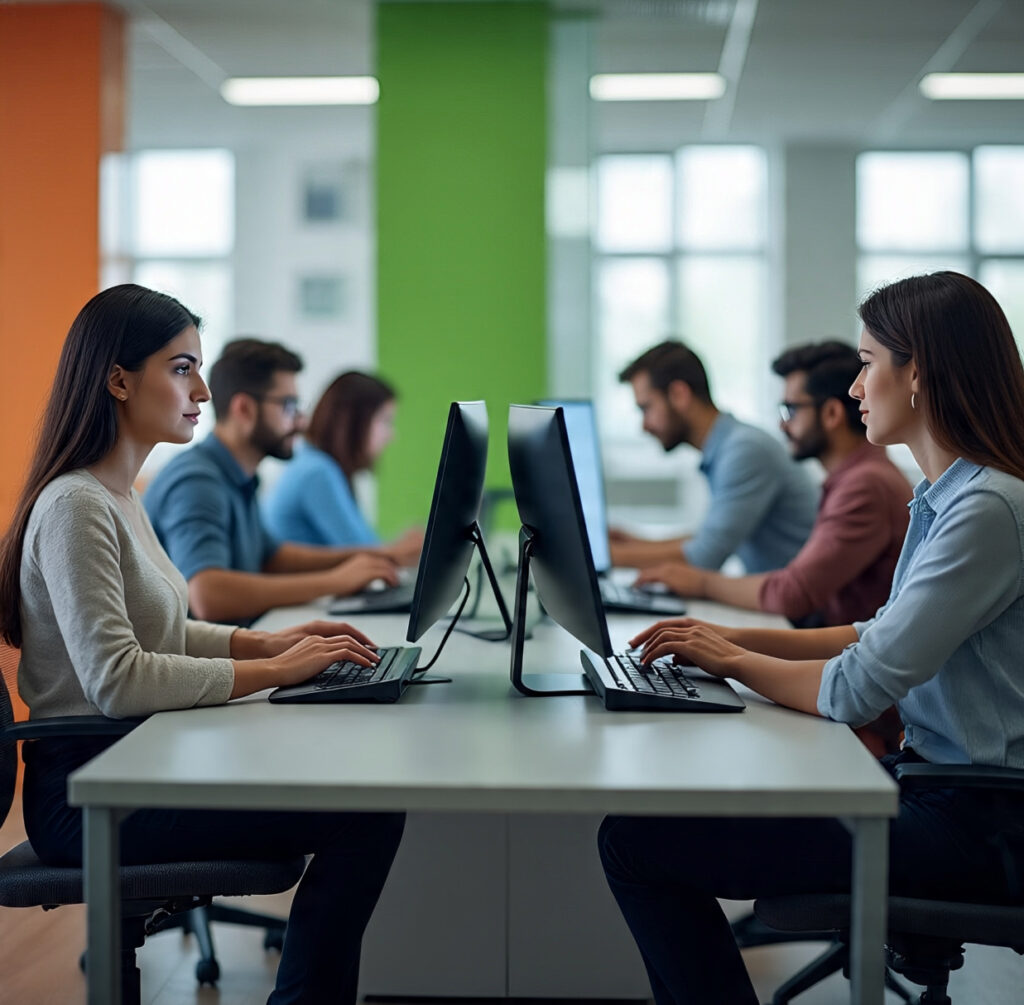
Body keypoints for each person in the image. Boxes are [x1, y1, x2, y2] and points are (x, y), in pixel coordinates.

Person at [598, 271, 1024, 1005]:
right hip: (935, 789)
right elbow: (873, 633)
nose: (856, 388)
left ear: (916, 371)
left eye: (867, 363)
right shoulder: (945, 494)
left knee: (635, 841)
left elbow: (857, 686)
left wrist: (730, 657)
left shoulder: (986, 507)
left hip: (979, 824)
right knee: (667, 820)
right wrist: (723, 635)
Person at [0, 284, 405, 1005]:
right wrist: (275, 667)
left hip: (137, 760)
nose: (206, 391)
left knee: (361, 794)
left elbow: (169, 629)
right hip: (91, 793)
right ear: (119, 379)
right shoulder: (75, 505)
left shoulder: (121, 494)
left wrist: (269, 642)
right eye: (182, 367)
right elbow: (117, 678)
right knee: (365, 807)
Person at [633, 341, 913, 628]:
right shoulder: (858, 477)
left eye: (790, 410)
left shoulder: (865, 485)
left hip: (842, 650)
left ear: (831, 414)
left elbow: (793, 593)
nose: (782, 426)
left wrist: (701, 583)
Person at [144, 339, 407, 625]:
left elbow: (272, 557)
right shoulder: (197, 481)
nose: (301, 422)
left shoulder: (239, 475)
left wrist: (374, 556)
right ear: (244, 409)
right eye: (289, 406)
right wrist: (335, 581)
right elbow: (207, 596)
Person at [610, 340, 818, 574]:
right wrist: (633, 542)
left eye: (646, 408)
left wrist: (609, 556)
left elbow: (704, 556)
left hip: (800, 607)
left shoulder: (745, 451)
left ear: (679, 394)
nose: (644, 426)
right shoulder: (731, 446)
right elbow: (707, 538)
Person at [263, 370, 423, 560]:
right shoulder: (317, 472)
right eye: (385, 421)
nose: (391, 435)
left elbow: (366, 548)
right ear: (354, 422)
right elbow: (369, 558)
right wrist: (405, 548)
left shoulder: (312, 463)